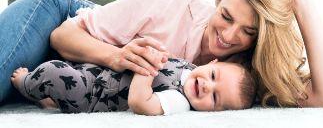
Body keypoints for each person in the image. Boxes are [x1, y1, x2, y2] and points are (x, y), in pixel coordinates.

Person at [0, 0, 323, 108]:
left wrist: (303, 4)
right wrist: (117, 56)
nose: (228, 36)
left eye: (247, 31)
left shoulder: (240, 78)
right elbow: (62, 36)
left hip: (75, 82)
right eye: (225, 16)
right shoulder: (167, 0)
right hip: (59, 21)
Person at [10, 57, 256, 114]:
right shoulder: (188, 66)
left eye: (214, 98)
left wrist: (148, 67)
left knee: (55, 71)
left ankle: (27, 85)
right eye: (213, 75)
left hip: (92, 97)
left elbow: (140, 102)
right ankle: (49, 99)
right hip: (99, 73)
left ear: (214, 113)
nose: (206, 87)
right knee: (70, 67)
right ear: (212, 62)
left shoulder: (179, 102)